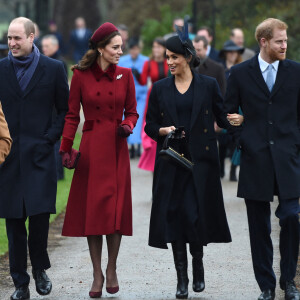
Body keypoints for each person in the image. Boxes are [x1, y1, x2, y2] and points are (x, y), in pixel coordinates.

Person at [145, 21, 232, 299]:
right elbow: (149, 125)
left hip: (201, 163)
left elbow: (222, 118)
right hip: (171, 162)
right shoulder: (159, 88)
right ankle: (181, 278)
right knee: (174, 217)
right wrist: (163, 131)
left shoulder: (207, 85)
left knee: (195, 217)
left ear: (187, 57)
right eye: (167, 57)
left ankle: (198, 266)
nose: (168, 61)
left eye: (173, 57)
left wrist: (239, 121)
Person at [59, 22, 138, 299]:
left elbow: (132, 112)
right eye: (115, 47)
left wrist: (128, 125)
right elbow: (71, 116)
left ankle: (112, 268)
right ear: (101, 48)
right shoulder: (79, 76)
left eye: (121, 47)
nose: (120, 51)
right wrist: (66, 147)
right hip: (91, 149)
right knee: (94, 211)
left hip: (116, 147)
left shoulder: (126, 75)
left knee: (114, 211)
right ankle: (97, 273)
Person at [224, 18, 300, 300]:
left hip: (288, 159)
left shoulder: (296, 72)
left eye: (286, 40)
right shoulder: (240, 74)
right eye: (279, 40)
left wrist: (296, 146)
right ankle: (266, 286)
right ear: (263, 41)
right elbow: (228, 113)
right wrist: (242, 140)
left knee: (291, 218)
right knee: (259, 227)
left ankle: (288, 281)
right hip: (255, 160)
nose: (285, 45)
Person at [0, 17, 69, 300]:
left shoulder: (53, 69)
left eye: (18, 38)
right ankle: (20, 282)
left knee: (40, 218)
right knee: (14, 222)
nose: (12, 43)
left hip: (41, 156)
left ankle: (40, 268)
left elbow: (65, 112)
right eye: (9, 39)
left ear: (32, 37)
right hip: (8, 159)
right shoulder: (0, 69)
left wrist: (49, 139)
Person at [137, 37, 169, 173]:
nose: (156, 50)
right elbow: (143, 81)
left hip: (168, 95)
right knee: (152, 123)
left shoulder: (169, 61)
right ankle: (153, 158)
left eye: (159, 47)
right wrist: (137, 75)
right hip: (153, 96)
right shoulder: (148, 63)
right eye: (155, 47)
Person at [42, 34, 68, 180]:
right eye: (43, 46)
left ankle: (59, 173)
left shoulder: (59, 63)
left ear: (55, 47)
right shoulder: (49, 61)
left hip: (55, 107)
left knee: (56, 140)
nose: (44, 49)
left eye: (47, 46)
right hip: (49, 106)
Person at [118, 37, 148, 158]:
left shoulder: (145, 61)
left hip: (141, 95)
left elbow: (146, 78)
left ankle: (137, 145)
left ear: (139, 49)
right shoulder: (123, 61)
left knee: (139, 120)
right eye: (132, 49)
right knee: (125, 119)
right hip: (126, 95)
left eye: (136, 49)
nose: (134, 52)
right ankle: (129, 146)